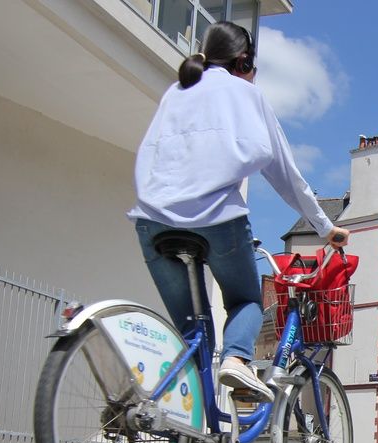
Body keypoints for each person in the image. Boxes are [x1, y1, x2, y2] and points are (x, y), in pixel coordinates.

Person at [127, 21, 348, 402]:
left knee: (192, 334)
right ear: (244, 62)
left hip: (151, 219)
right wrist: (326, 228)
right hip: (216, 218)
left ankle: (192, 431)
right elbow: (286, 174)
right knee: (245, 301)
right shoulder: (246, 94)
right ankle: (237, 360)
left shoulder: (176, 92)